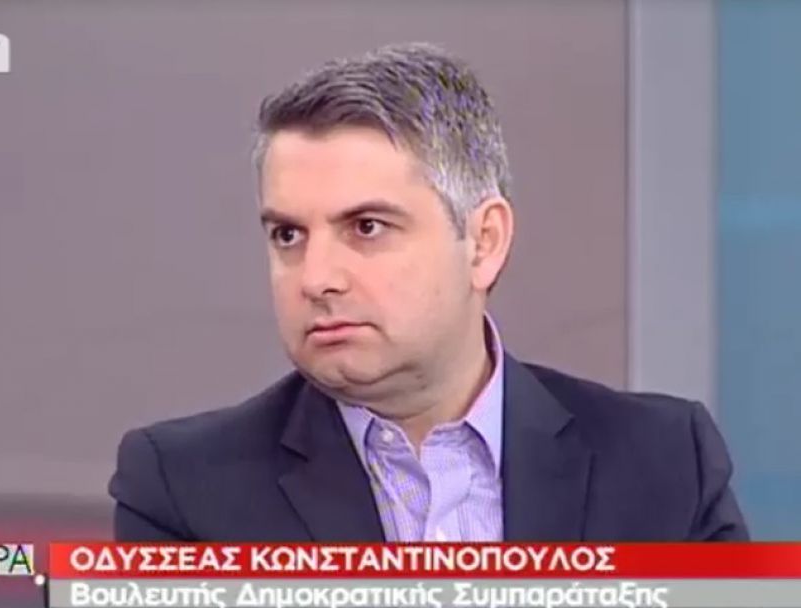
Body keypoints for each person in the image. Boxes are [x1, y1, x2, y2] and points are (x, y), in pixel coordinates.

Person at [109, 43, 748, 541]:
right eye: (288, 235)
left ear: (484, 241)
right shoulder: (183, 490)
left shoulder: (667, 463)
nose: (316, 277)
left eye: (366, 227)